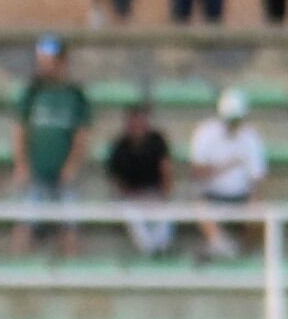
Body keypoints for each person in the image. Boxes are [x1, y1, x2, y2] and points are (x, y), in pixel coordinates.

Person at [10, 35, 89, 257]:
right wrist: (21, 164)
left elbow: (81, 134)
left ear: (61, 62)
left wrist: (72, 165)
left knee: (71, 227)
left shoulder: (74, 95)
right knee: (24, 225)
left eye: (49, 62)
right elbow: (19, 130)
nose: (43, 67)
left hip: (64, 176)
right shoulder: (32, 93)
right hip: (35, 173)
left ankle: (73, 279)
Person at [187, 86, 268, 259]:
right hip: (212, 196)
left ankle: (241, 253)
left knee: (261, 212)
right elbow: (197, 171)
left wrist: (254, 203)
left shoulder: (251, 138)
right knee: (199, 206)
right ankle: (221, 245)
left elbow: (257, 179)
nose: (233, 124)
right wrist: (226, 165)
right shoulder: (205, 133)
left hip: (241, 197)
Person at [104, 99, 174, 257]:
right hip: (131, 196)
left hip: (154, 193)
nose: (137, 125)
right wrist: (130, 195)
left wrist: (164, 194)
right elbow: (117, 179)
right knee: (131, 213)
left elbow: (166, 170)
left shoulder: (157, 141)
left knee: (166, 212)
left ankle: (161, 248)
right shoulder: (120, 146)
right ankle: (148, 251)